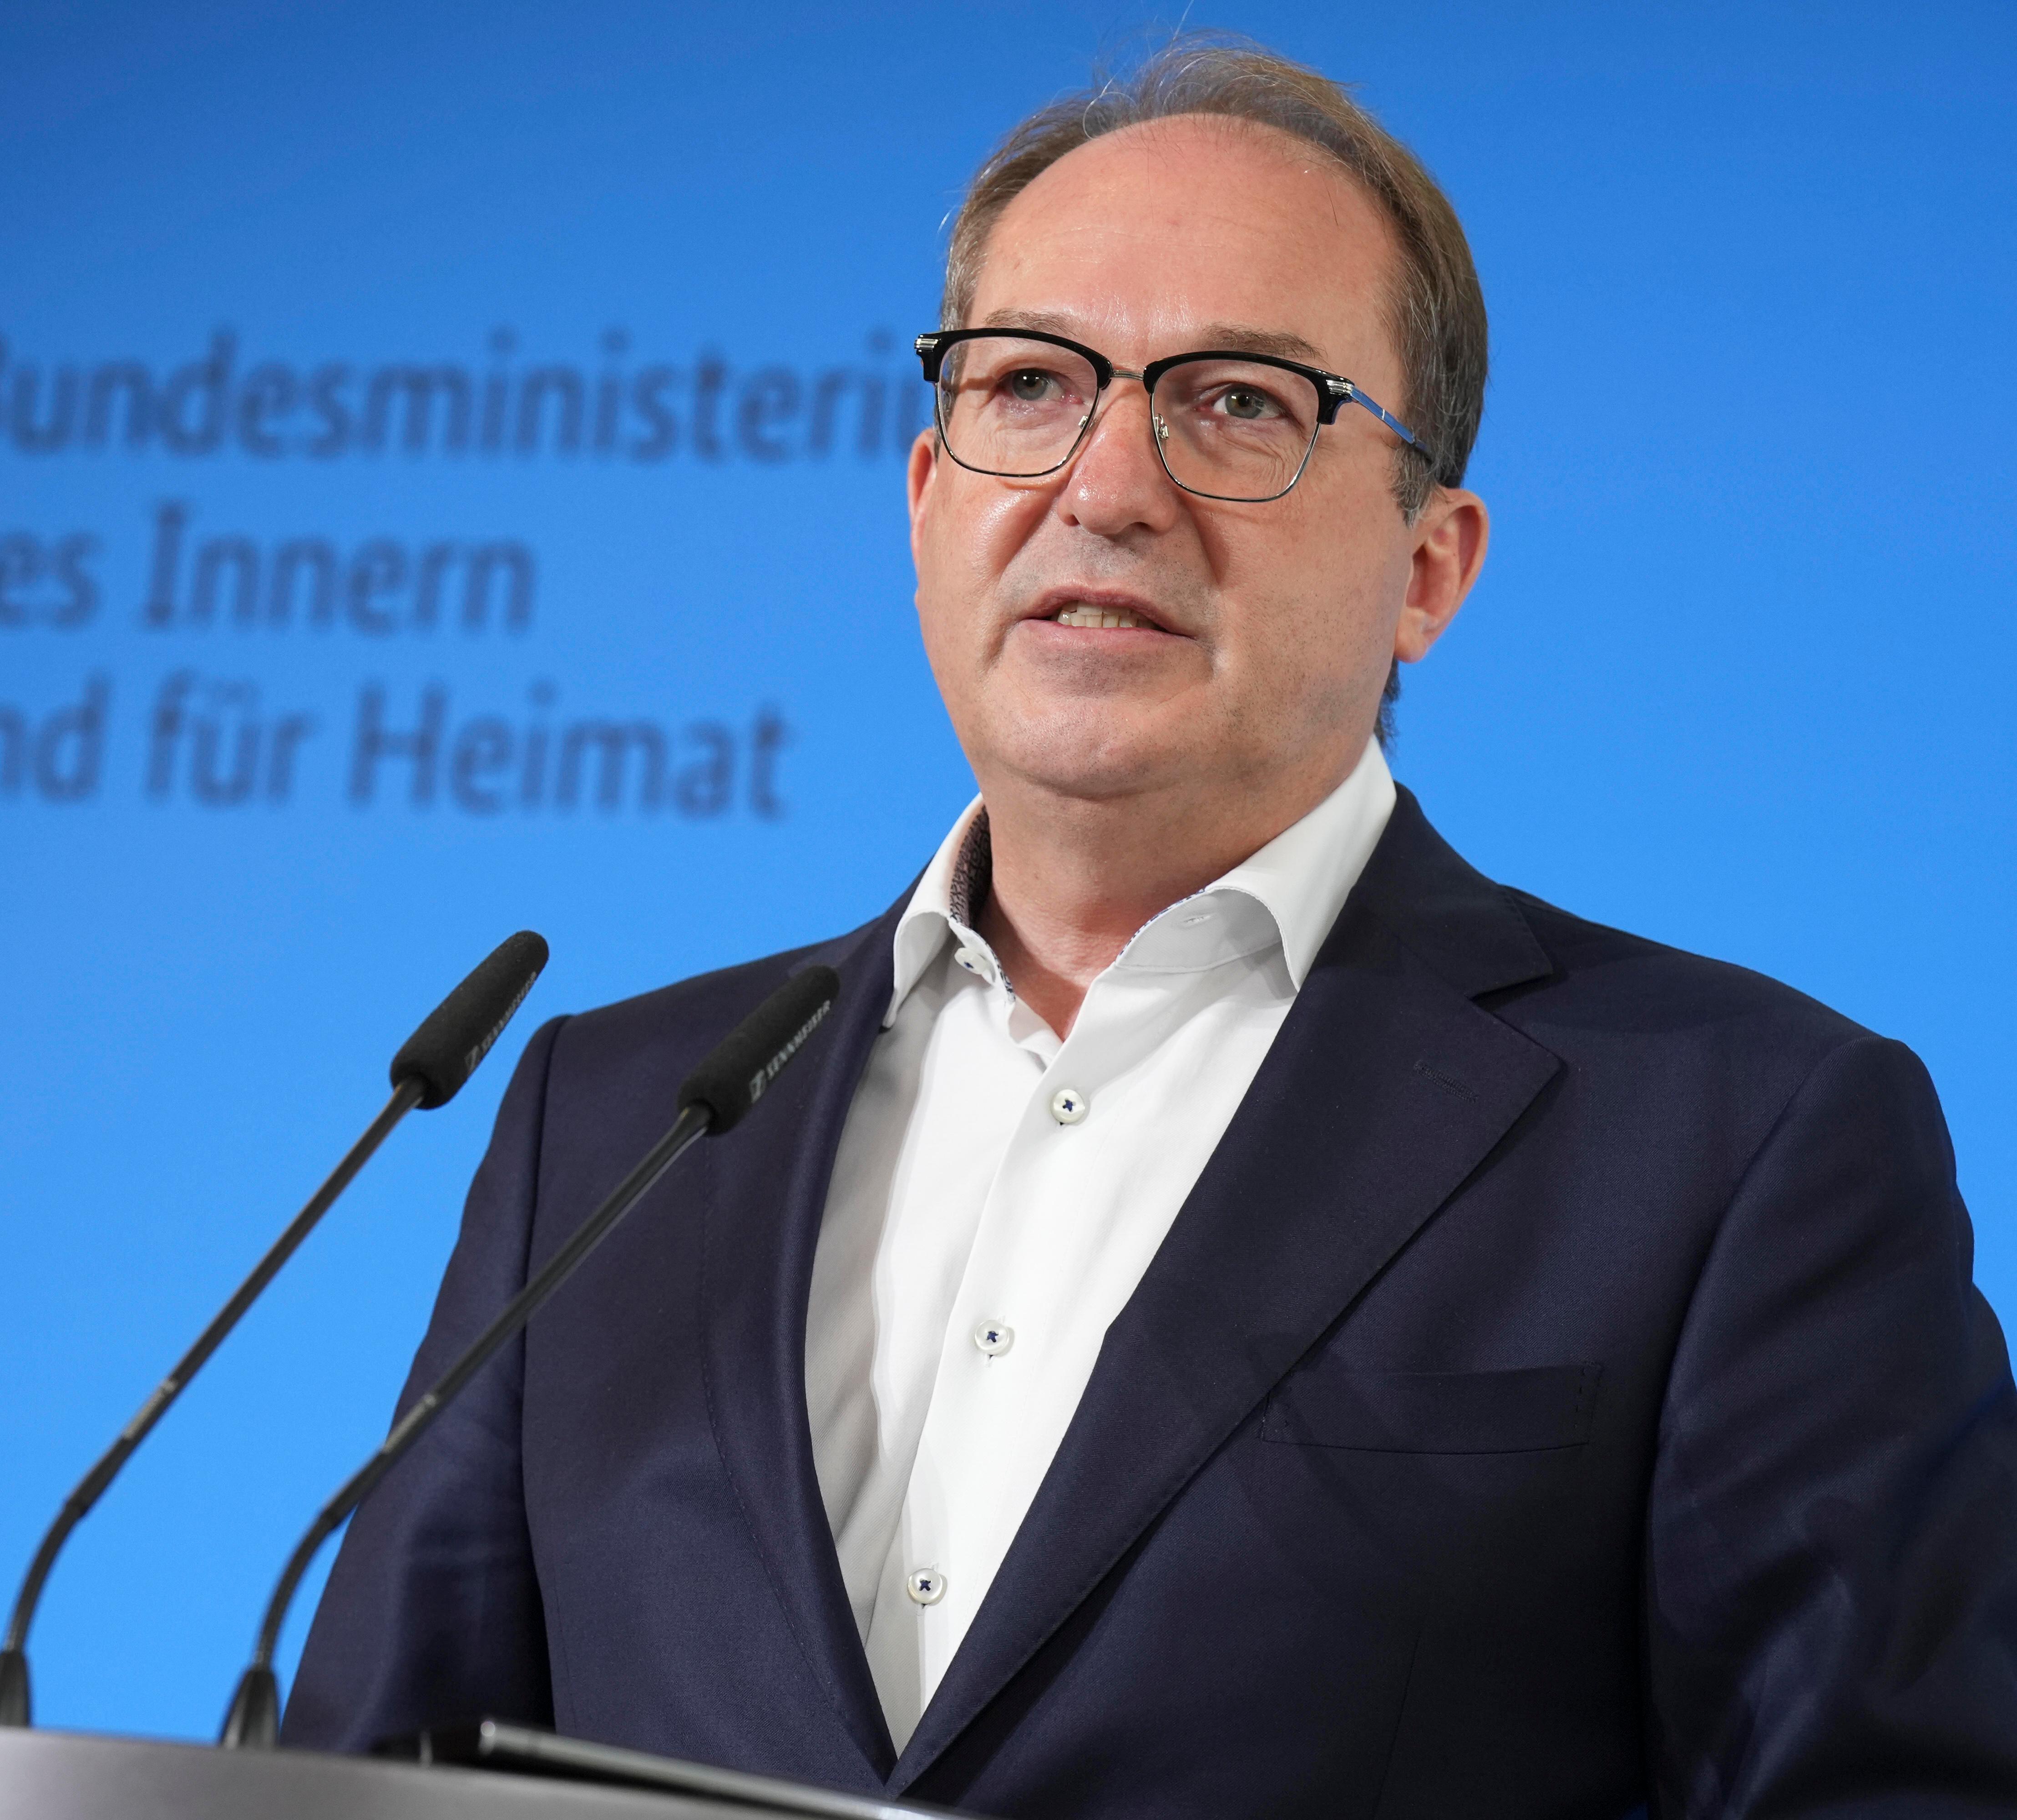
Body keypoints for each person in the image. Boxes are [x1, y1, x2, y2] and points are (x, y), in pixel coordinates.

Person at [287, 35, 2017, 1816]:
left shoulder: (1734, 1138)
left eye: (1242, 402)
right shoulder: (613, 1116)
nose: (1105, 485)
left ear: (1431, 566)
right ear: (924, 497)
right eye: (1029, 383)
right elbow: (366, 1779)